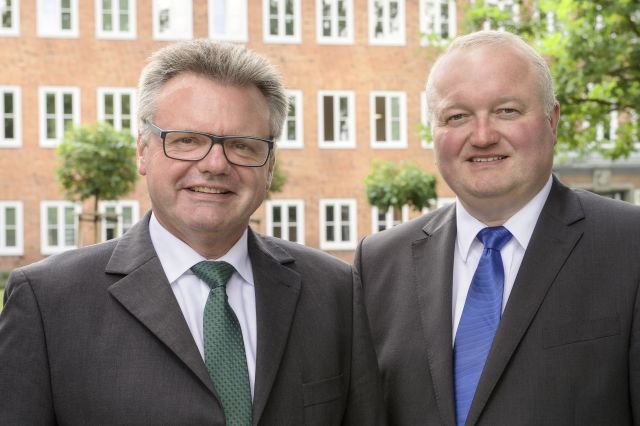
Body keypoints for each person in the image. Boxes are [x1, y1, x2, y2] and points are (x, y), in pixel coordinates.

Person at [0, 39, 383, 425]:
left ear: (268, 167)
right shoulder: (48, 302)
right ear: (142, 151)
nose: (215, 164)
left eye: (242, 146)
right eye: (187, 140)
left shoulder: (334, 290)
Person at [355, 30, 640, 426]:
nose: (483, 136)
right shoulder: (379, 263)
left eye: (506, 111)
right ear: (433, 133)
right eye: (457, 116)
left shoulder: (630, 245)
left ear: (552, 120)